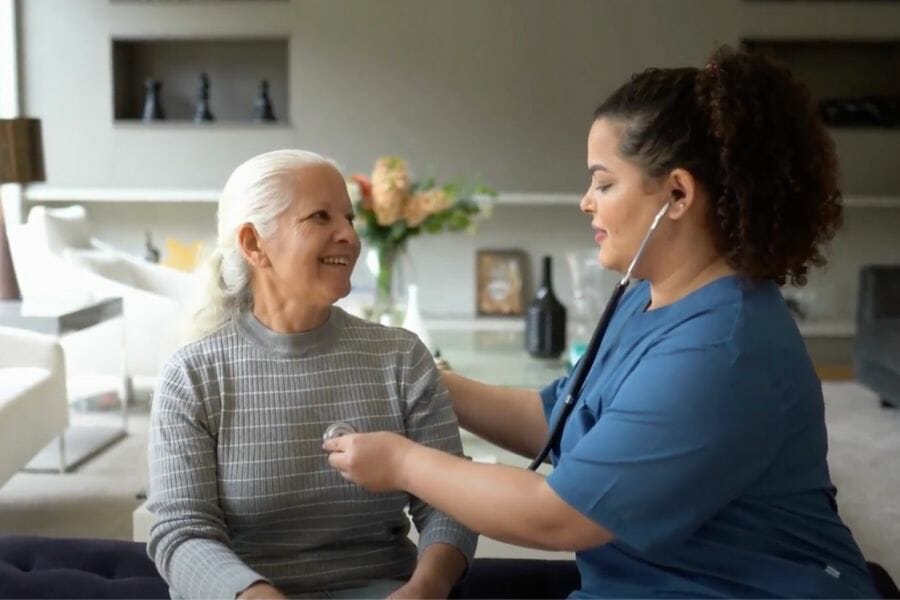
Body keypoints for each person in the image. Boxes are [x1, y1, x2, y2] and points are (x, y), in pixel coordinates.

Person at [324, 46, 881, 598]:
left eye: (603, 182)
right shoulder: (648, 298)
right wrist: (428, 378)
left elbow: (554, 517)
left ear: (678, 195)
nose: (586, 202)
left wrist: (401, 462)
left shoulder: (721, 350)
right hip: (646, 577)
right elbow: (559, 417)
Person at [147, 149, 475, 599]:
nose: (349, 236)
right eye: (320, 217)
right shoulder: (192, 375)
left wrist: (426, 586)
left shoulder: (400, 356)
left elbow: (451, 503)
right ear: (253, 243)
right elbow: (182, 532)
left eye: (349, 217)